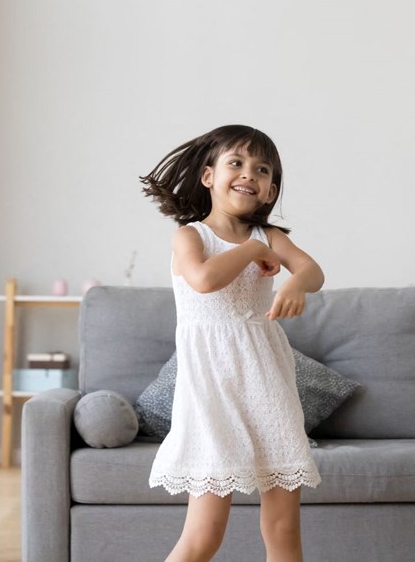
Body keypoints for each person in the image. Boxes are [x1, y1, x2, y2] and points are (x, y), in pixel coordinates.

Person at [140, 124, 324, 562]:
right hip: (211, 396)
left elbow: (313, 272)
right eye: (236, 163)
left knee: (283, 528)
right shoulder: (190, 236)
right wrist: (251, 252)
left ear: (270, 189)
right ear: (209, 176)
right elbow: (204, 280)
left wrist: (295, 281)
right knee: (204, 535)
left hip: (267, 386)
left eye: (262, 170)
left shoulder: (271, 236)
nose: (249, 174)